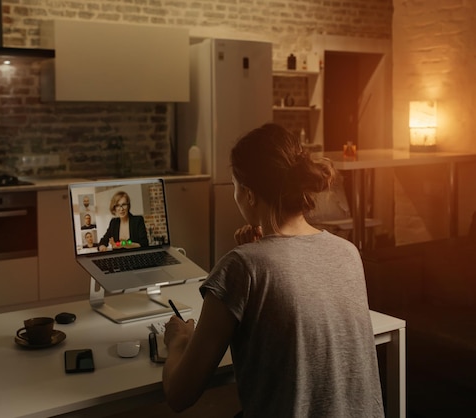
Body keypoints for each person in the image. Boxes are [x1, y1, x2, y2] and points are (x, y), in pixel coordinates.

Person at [162, 123, 384, 417]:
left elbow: (180, 393)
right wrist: (260, 249)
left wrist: (178, 339)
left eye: (235, 187)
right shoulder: (347, 252)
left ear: (250, 194)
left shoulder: (242, 266)